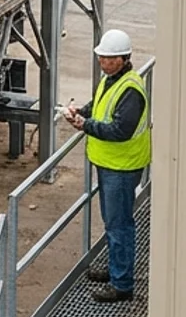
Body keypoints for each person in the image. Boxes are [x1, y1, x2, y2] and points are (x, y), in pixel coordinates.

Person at [63, 28, 149, 303]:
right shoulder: (112, 80)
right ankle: (115, 271)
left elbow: (120, 130)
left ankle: (122, 284)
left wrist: (85, 125)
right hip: (110, 164)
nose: (104, 62)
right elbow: (99, 105)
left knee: (119, 224)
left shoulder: (130, 89)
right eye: (102, 57)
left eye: (111, 59)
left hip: (122, 168)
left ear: (125, 59)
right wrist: (83, 112)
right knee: (112, 222)